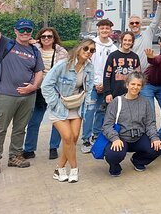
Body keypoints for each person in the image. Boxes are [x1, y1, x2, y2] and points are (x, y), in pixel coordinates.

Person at [0, 4, 44, 175]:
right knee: (0, 128)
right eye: (22, 30)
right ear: (15, 31)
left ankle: (15, 156)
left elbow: (39, 71)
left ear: (32, 31)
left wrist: (34, 86)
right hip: (5, 95)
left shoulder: (34, 50)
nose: (25, 32)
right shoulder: (6, 44)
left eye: (28, 30)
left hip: (28, 96)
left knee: (20, 128)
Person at [41, 40, 96, 183]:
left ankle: (59, 168)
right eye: (86, 48)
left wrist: (87, 105)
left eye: (92, 50)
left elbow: (89, 89)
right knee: (67, 136)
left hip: (76, 106)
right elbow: (46, 85)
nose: (88, 51)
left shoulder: (89, 67)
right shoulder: (63, 64)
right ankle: (74, 169)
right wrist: (55, 103)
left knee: (74, 137)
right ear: (78, 48)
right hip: (60, 107)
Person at [102, 72, 161, 176]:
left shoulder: (145, 102)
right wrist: (115, 139)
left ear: (142, 87)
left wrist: (154, 138)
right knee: (113, 154)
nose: (135, 87)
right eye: (133, 84)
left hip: (138, 137)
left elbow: (150, 123)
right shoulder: (117, 102)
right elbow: (107, 125)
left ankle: (138, 161)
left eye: (139, 85)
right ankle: (115, 167)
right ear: (127, 85)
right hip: (121, 138)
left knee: (158, 146)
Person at [22, 27, 68, 160]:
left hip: (55, 90)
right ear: (39, 38)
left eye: (49, 36)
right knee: (34, 120)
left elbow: (65, 71)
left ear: (54, 38)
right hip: (39, 90)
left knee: (57, 120)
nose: (46, 39)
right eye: (44, 37)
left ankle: (53, 147)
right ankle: (29, 149)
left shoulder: (62, 52)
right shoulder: (33, 49)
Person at [81, 18, 118, 154]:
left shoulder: (114, 48)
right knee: (89, 111)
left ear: (110, 30)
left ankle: (96, 135)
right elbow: (87, 65)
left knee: (102, 111)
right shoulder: (92, 45)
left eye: (107, 28)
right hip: (92, 85)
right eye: (102, 28)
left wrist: (105, 84)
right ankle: (85, 139)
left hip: (106, 85)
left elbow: (112, 70)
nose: (104, 30)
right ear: (98, 29)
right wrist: (95, 83)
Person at [129, 0, 161, 72]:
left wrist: (160, 4)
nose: (134, 25)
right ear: (129, 25)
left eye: (137, 23)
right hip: (132, 75)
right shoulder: (127, 40)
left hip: (148, 73)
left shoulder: (148, 33)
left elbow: (156, 20)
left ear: (140, 24)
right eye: (132, 23)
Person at [103, 32, 141, 101]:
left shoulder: (135, 57)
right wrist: (107, 93)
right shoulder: (113, 56)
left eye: (129, 40)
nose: (127, 42)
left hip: (131, 95)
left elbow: (138, 77)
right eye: (125, 40)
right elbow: (106, 76)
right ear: (121, 40)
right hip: (114, 94)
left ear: (132, 42)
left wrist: (138, 93)